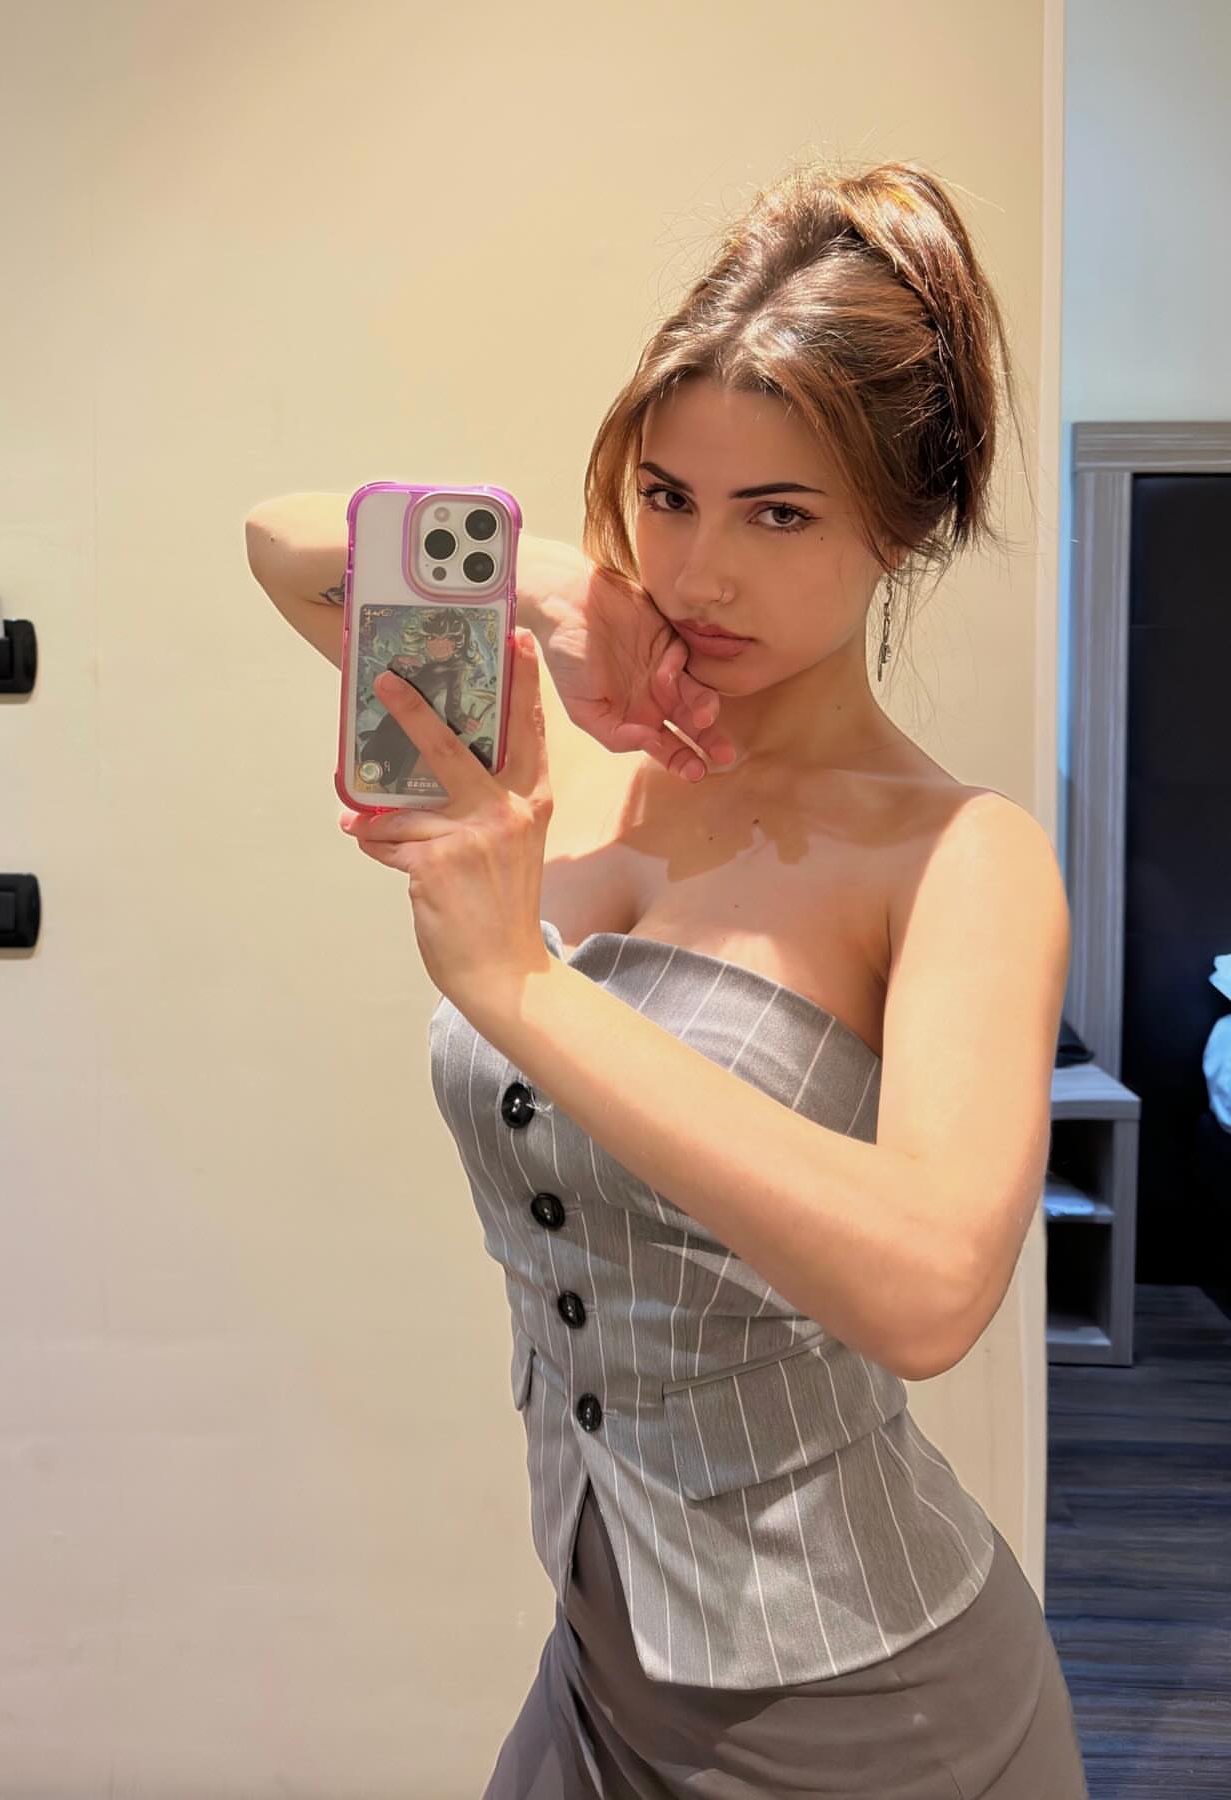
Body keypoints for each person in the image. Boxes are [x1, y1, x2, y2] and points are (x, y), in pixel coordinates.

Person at [246, 156, 1089, 1800]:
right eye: (666, 495)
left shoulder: (958, 854)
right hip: (600, 1662)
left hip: (874, 1717)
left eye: (779, 514)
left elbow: (931, 1290)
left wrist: (526, 988)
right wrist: (545, 581)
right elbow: (281, 545)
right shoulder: (567, 751)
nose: (699, 575)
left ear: (900, 528)